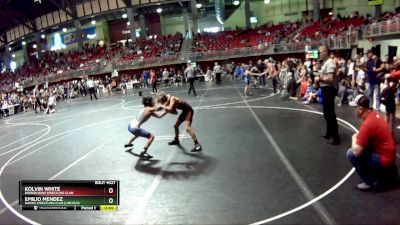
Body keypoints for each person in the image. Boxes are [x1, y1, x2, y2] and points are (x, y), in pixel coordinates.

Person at [347, 95, 398, 190]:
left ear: (360, 109)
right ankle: (387, 172)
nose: (354, 110)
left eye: (355, 107)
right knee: (365, 146)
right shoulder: (374, 114)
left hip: (384, 158)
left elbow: (356, 152)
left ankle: (370, 182)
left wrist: (353, 138)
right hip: (389, 154)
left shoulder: (367, 124)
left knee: (351, 153)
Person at [315, 45, 340, 145]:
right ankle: (329, 133)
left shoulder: (330, 63)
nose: (320, 54)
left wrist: (319, 79)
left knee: (330, 114)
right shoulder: (326, 63)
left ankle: (336, 138)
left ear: (326, 52)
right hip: (325, 90)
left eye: (321, 52)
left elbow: (330, 79)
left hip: (329, 90)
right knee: (327, 113)